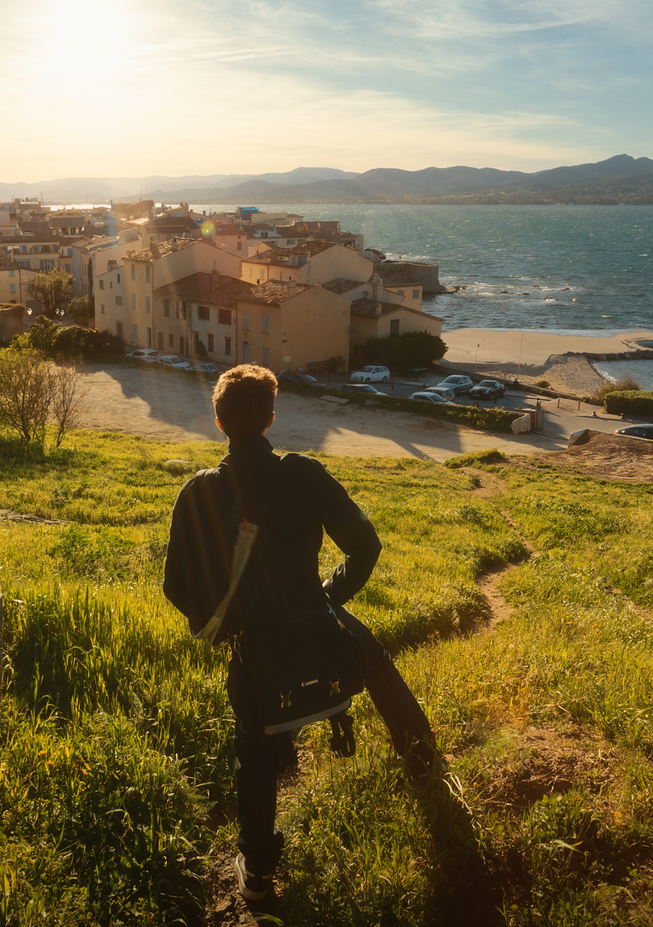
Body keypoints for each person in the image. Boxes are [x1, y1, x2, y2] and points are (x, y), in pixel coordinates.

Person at [164, 364, 438, 904]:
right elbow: (366, 547)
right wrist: (327, 597)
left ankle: (259, 870)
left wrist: (230, 620)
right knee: (378, 664)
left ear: (218, 421)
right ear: (271, 417)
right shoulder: (304, 473)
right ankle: (425, 762)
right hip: (319, 625)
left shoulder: (198, 493)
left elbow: (176, 587)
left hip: (255, 649)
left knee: (253, 744)